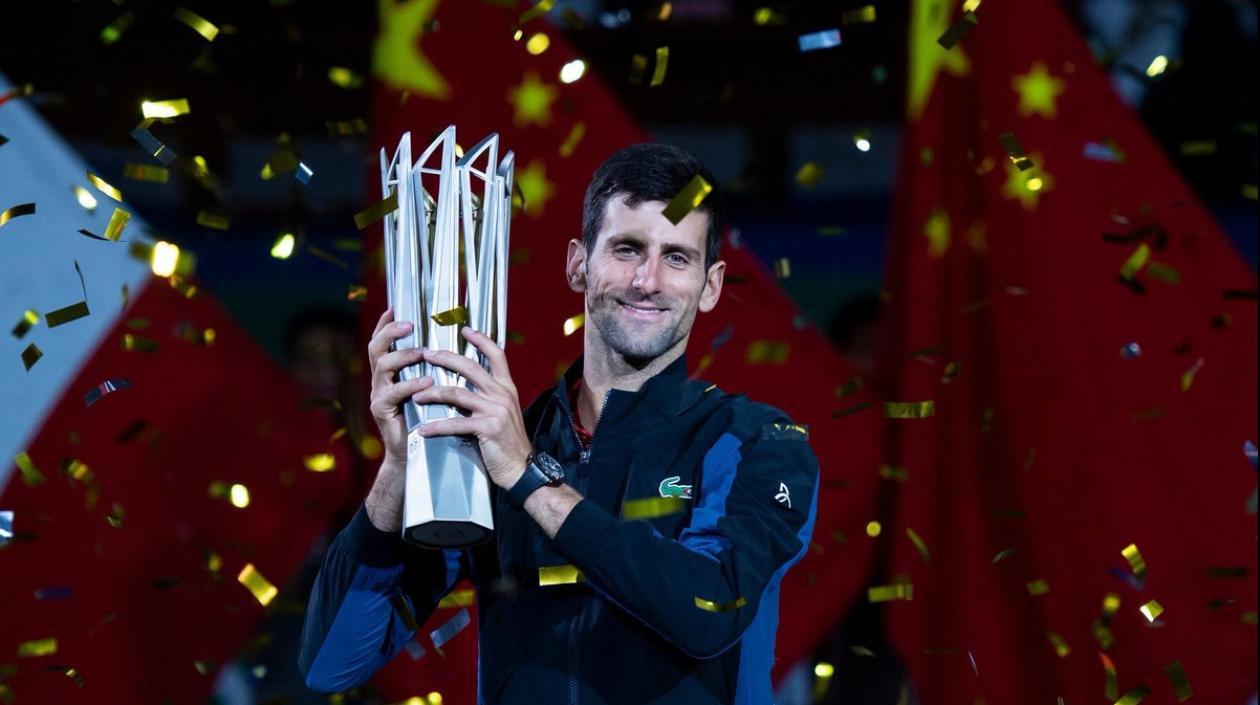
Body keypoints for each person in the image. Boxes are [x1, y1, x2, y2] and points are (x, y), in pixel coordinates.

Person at [298, 143, 820, 704]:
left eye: (676, 258)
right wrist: (400, 466)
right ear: (578, 264)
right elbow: (332, 663)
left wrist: (529, 481)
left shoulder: (754, 442)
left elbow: (710, 610)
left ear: (710, 285)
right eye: (627, 249)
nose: (647, 280)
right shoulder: (494, 449)